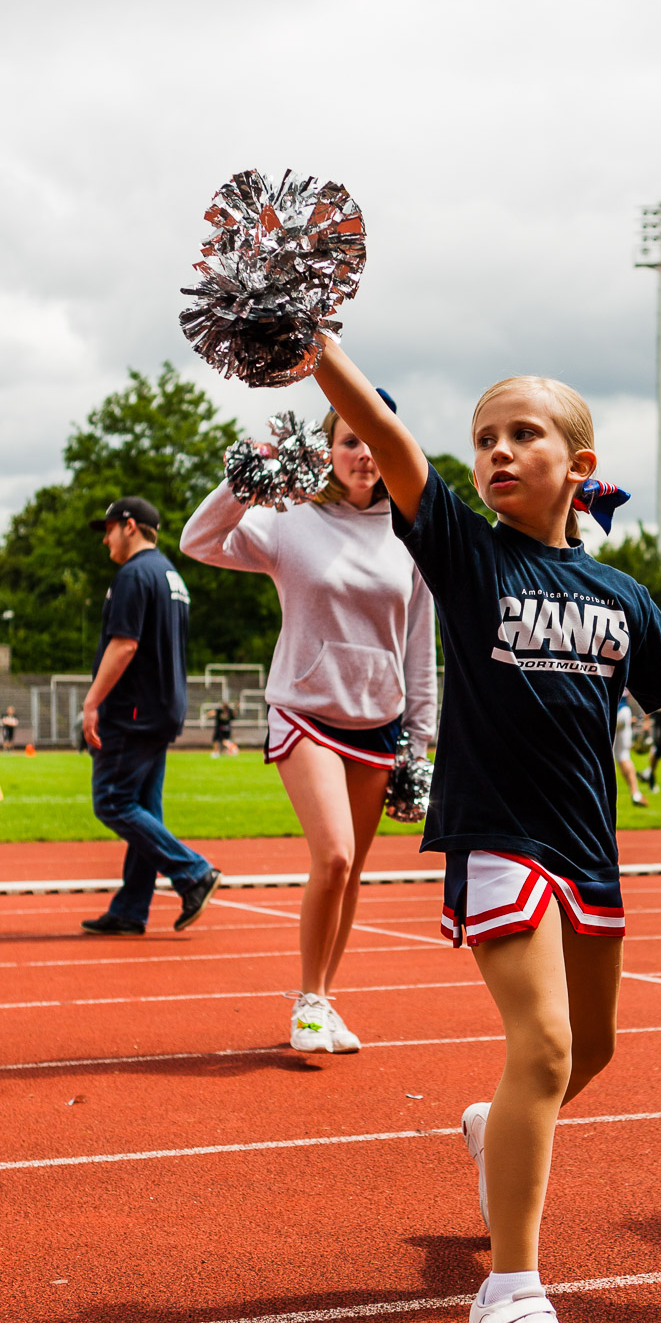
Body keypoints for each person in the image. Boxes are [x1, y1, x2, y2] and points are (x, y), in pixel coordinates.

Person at [309, 337, 661, 1323]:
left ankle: (498, 1131)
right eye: (483, 436)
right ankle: (507, 1299)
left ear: (579, 461)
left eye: (523, 433)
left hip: (588, 849)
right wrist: (319, 351)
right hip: (498, 838)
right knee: (542, 1043)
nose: (496, 450)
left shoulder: (619, 592)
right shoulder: (462, 551)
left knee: (591, 1055)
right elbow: (393, 444)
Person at [180, 393, 436, 1056]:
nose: (364, 456)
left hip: (380, 723)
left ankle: (322, 997)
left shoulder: (411, 535)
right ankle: (307, 1002)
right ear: (327, 448)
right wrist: (255, 467)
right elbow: (198, 540)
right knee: (335, 856)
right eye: (351, 441)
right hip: (305, 709)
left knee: (351, 876)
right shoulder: (291, 518)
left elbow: (418, 645)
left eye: (377, 442)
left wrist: (422, 740)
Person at [81, 497, 221, 936]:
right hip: (163, 706)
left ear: (129, 526)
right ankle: (131, 908)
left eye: (107, 529)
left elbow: (124, 644)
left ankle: (193, 872)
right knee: (144, 808)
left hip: (132, 710)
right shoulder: (171, 575)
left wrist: (91, 703)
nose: (105, 539)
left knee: (112, 801)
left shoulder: (133, 575)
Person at [614, 694, 648, 807]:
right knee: (624, 755)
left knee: (604, 757)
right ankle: (636, 794)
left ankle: (603, 794)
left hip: (610, 708)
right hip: (624, 710)